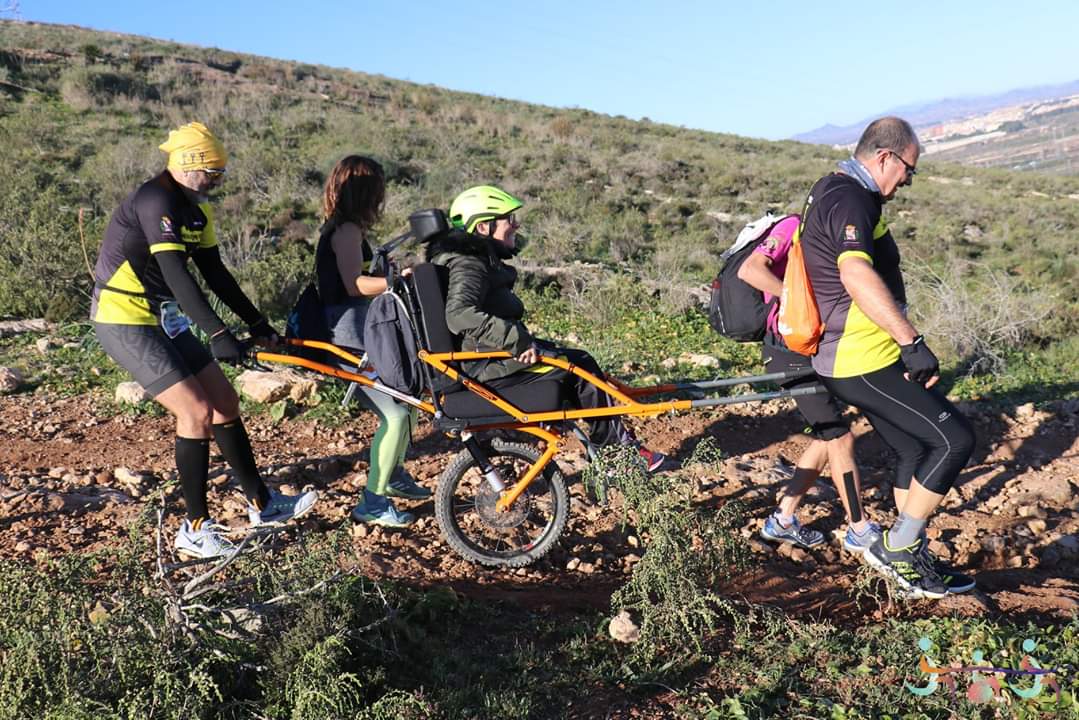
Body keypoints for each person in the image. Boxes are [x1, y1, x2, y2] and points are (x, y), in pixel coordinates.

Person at [91, 122, 318, 559]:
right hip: (124, 317)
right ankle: (194, 528)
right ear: (188, 165)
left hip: (163, 317)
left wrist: (256, 324)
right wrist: (217, 333)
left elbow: (216, 274)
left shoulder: (198, 210)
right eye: (212, 171)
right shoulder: (155, 199)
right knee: (195, 412)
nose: (217, 180)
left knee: (226, 403)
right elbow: (177, 274)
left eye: (221, 173)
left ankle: (263, 505)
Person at [798, 116, 975, 598]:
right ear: (885, 157)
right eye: (908, 171)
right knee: (954, 440)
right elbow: (855, 274)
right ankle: (899, 546)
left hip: (856, 356)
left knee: (913, 449)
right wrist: (910, 342)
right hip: (861, 357)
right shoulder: (850, 197)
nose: (906, 182)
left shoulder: (833, 190)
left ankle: (907, 559)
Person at [426, 185, 666, 470]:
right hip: (483, 366)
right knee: (578, 370)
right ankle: (618, 456)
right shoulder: (469, 264)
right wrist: (516, 340)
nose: (516, 224)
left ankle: (611, 448)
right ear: (483, 227)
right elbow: (460, 315)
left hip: (484, 358)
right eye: (508, 219)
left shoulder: (473, 260)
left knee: (577, 359)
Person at [737, 214, 880, 553]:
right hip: (787, 351)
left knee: (827, 435)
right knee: (839, 438)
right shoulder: (794, 226)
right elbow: (750, 270)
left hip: (812, 348)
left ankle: (783, 519)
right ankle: (859, 529)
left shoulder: (836, 236)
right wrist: (793, 298)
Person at [316, 155, 429, 528]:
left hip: (353, 330)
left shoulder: (347, 228)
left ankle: (392, 475)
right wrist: (402, 280)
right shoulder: (346, 231)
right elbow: (354, 285)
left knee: (408, 401)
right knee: (396, 414)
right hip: (346, 335)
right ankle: (373, 502)